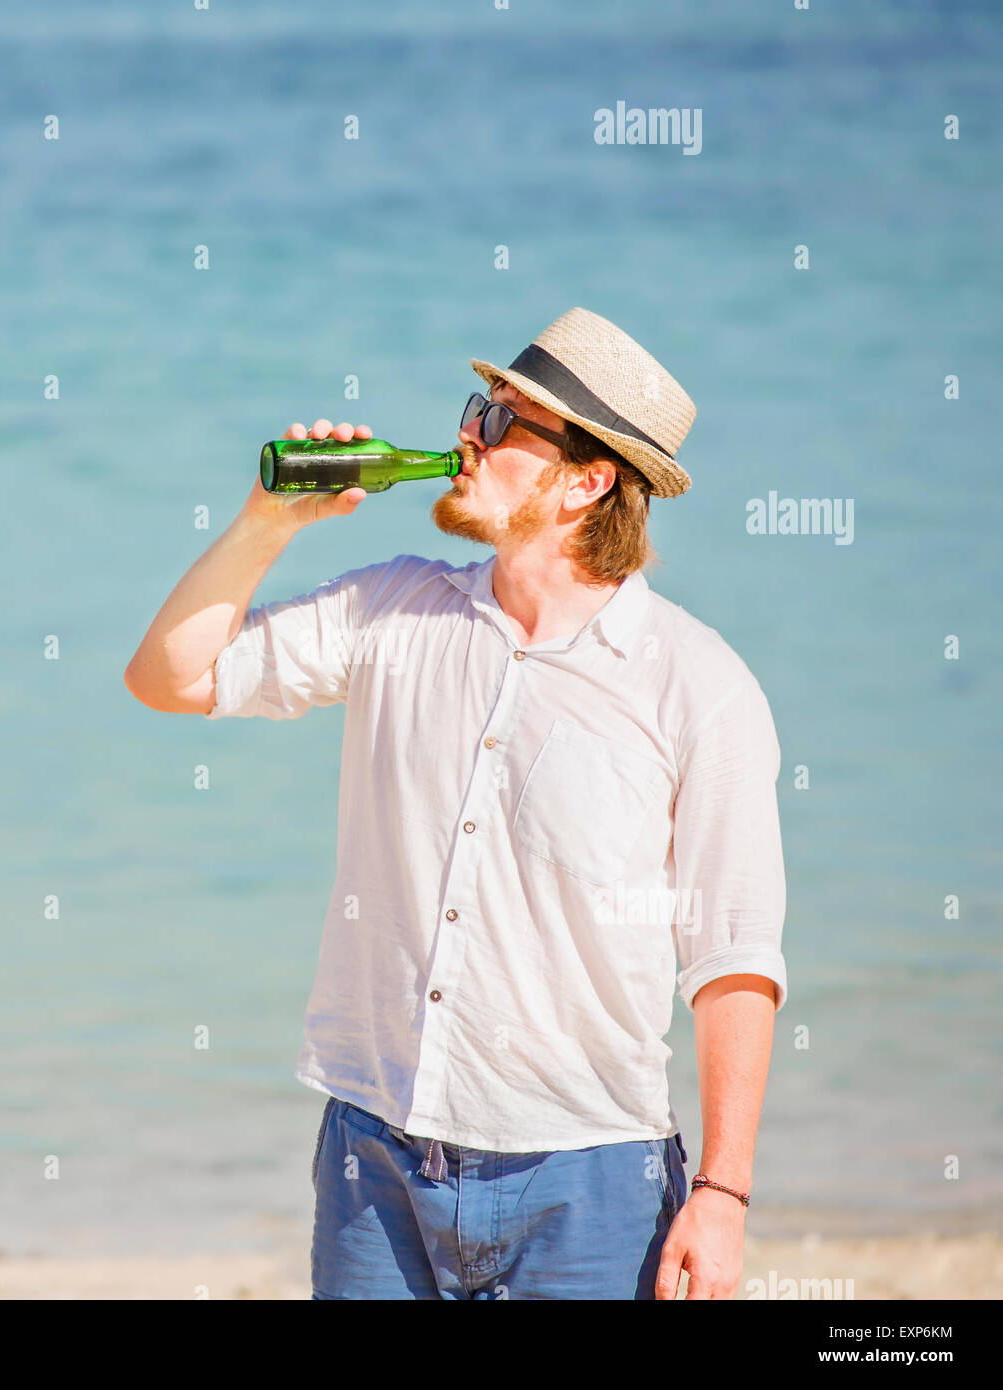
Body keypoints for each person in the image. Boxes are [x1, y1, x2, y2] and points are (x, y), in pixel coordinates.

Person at [125, 307, 788, 1300]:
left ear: (586, 478)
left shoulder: (695, 684)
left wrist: (723, 1192)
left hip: (586, 1181)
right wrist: (268, 519)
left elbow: (733, 956)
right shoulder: (392, 609)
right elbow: (168, 678)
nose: (465, 434)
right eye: (476, 406)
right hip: (375, 1161)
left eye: (500, 420)